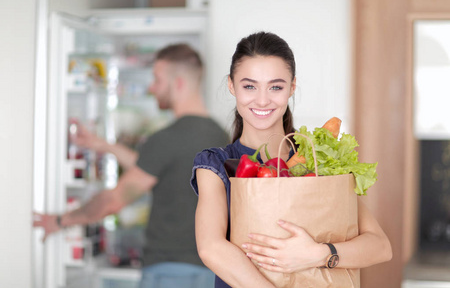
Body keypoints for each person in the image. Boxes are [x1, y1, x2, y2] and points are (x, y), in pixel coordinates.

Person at [190, 32, 393, 288]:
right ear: (232, 86)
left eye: (276, 86)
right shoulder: (216, 164)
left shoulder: (317, 158)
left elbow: (380, 246)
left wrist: (319, 254)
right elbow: (211, 248)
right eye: (249, 86)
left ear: (292, 87)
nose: (263, 100)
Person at [34, 43, 229, 288]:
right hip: (211, 270)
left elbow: (114, 200)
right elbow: (158, 168)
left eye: (157, 79)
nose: (152, 87)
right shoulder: (220, 136)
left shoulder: (168, 138)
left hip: (170, 271)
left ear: (178, 83)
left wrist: (60, 221)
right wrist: (103, 145)